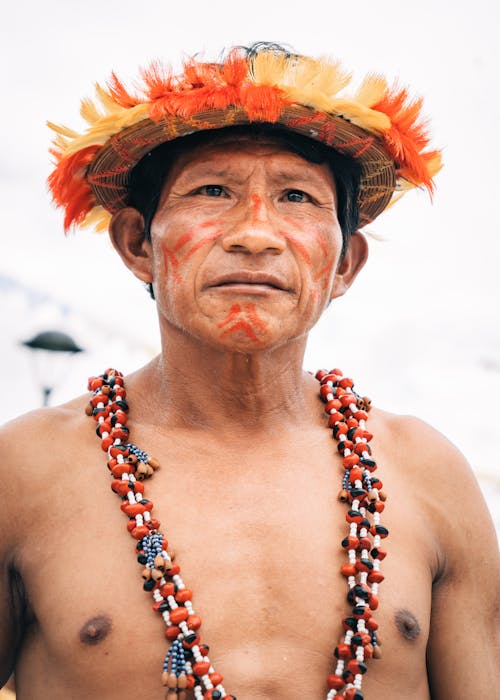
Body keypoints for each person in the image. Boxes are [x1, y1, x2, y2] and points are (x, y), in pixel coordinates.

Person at [0, 43, 498, 700]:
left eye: (297, 196)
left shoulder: (426, 475)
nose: (255, 234)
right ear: (134, 244)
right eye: (212, 191)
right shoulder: (29, 472)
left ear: (345, 263)